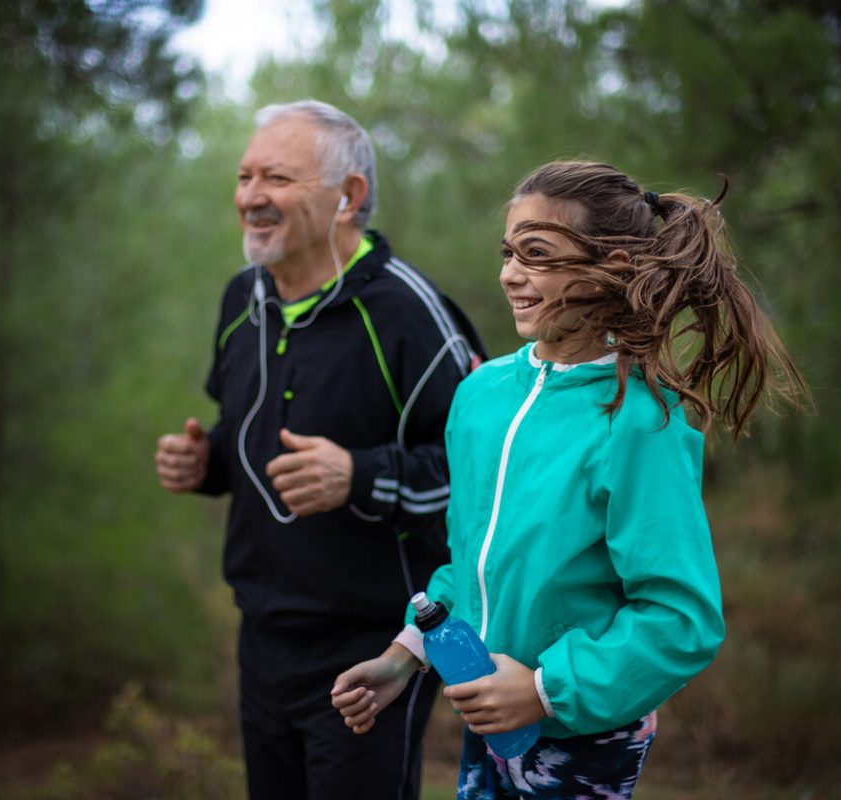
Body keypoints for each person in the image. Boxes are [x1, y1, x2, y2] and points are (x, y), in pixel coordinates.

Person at [331, 161, 808, 799]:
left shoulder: (642, 423)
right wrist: (406, 656)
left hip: (586, 736)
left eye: (537, 255)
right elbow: (468, 566)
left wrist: (540, 691)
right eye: (508, 252)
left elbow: (680, 619)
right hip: (488, 721)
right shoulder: (480, 396)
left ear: (606, 267)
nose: (509, 273)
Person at [154, 100, 485, 800]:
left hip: (376, 641)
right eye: (244, 177)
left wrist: (360, 477)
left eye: (275, 177)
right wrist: (206, 463)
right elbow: (243, 429)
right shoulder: (240, 299)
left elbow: (484, 478)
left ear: (349, 197)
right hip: (263, 634)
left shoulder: (409, 312)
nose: (250, 197)